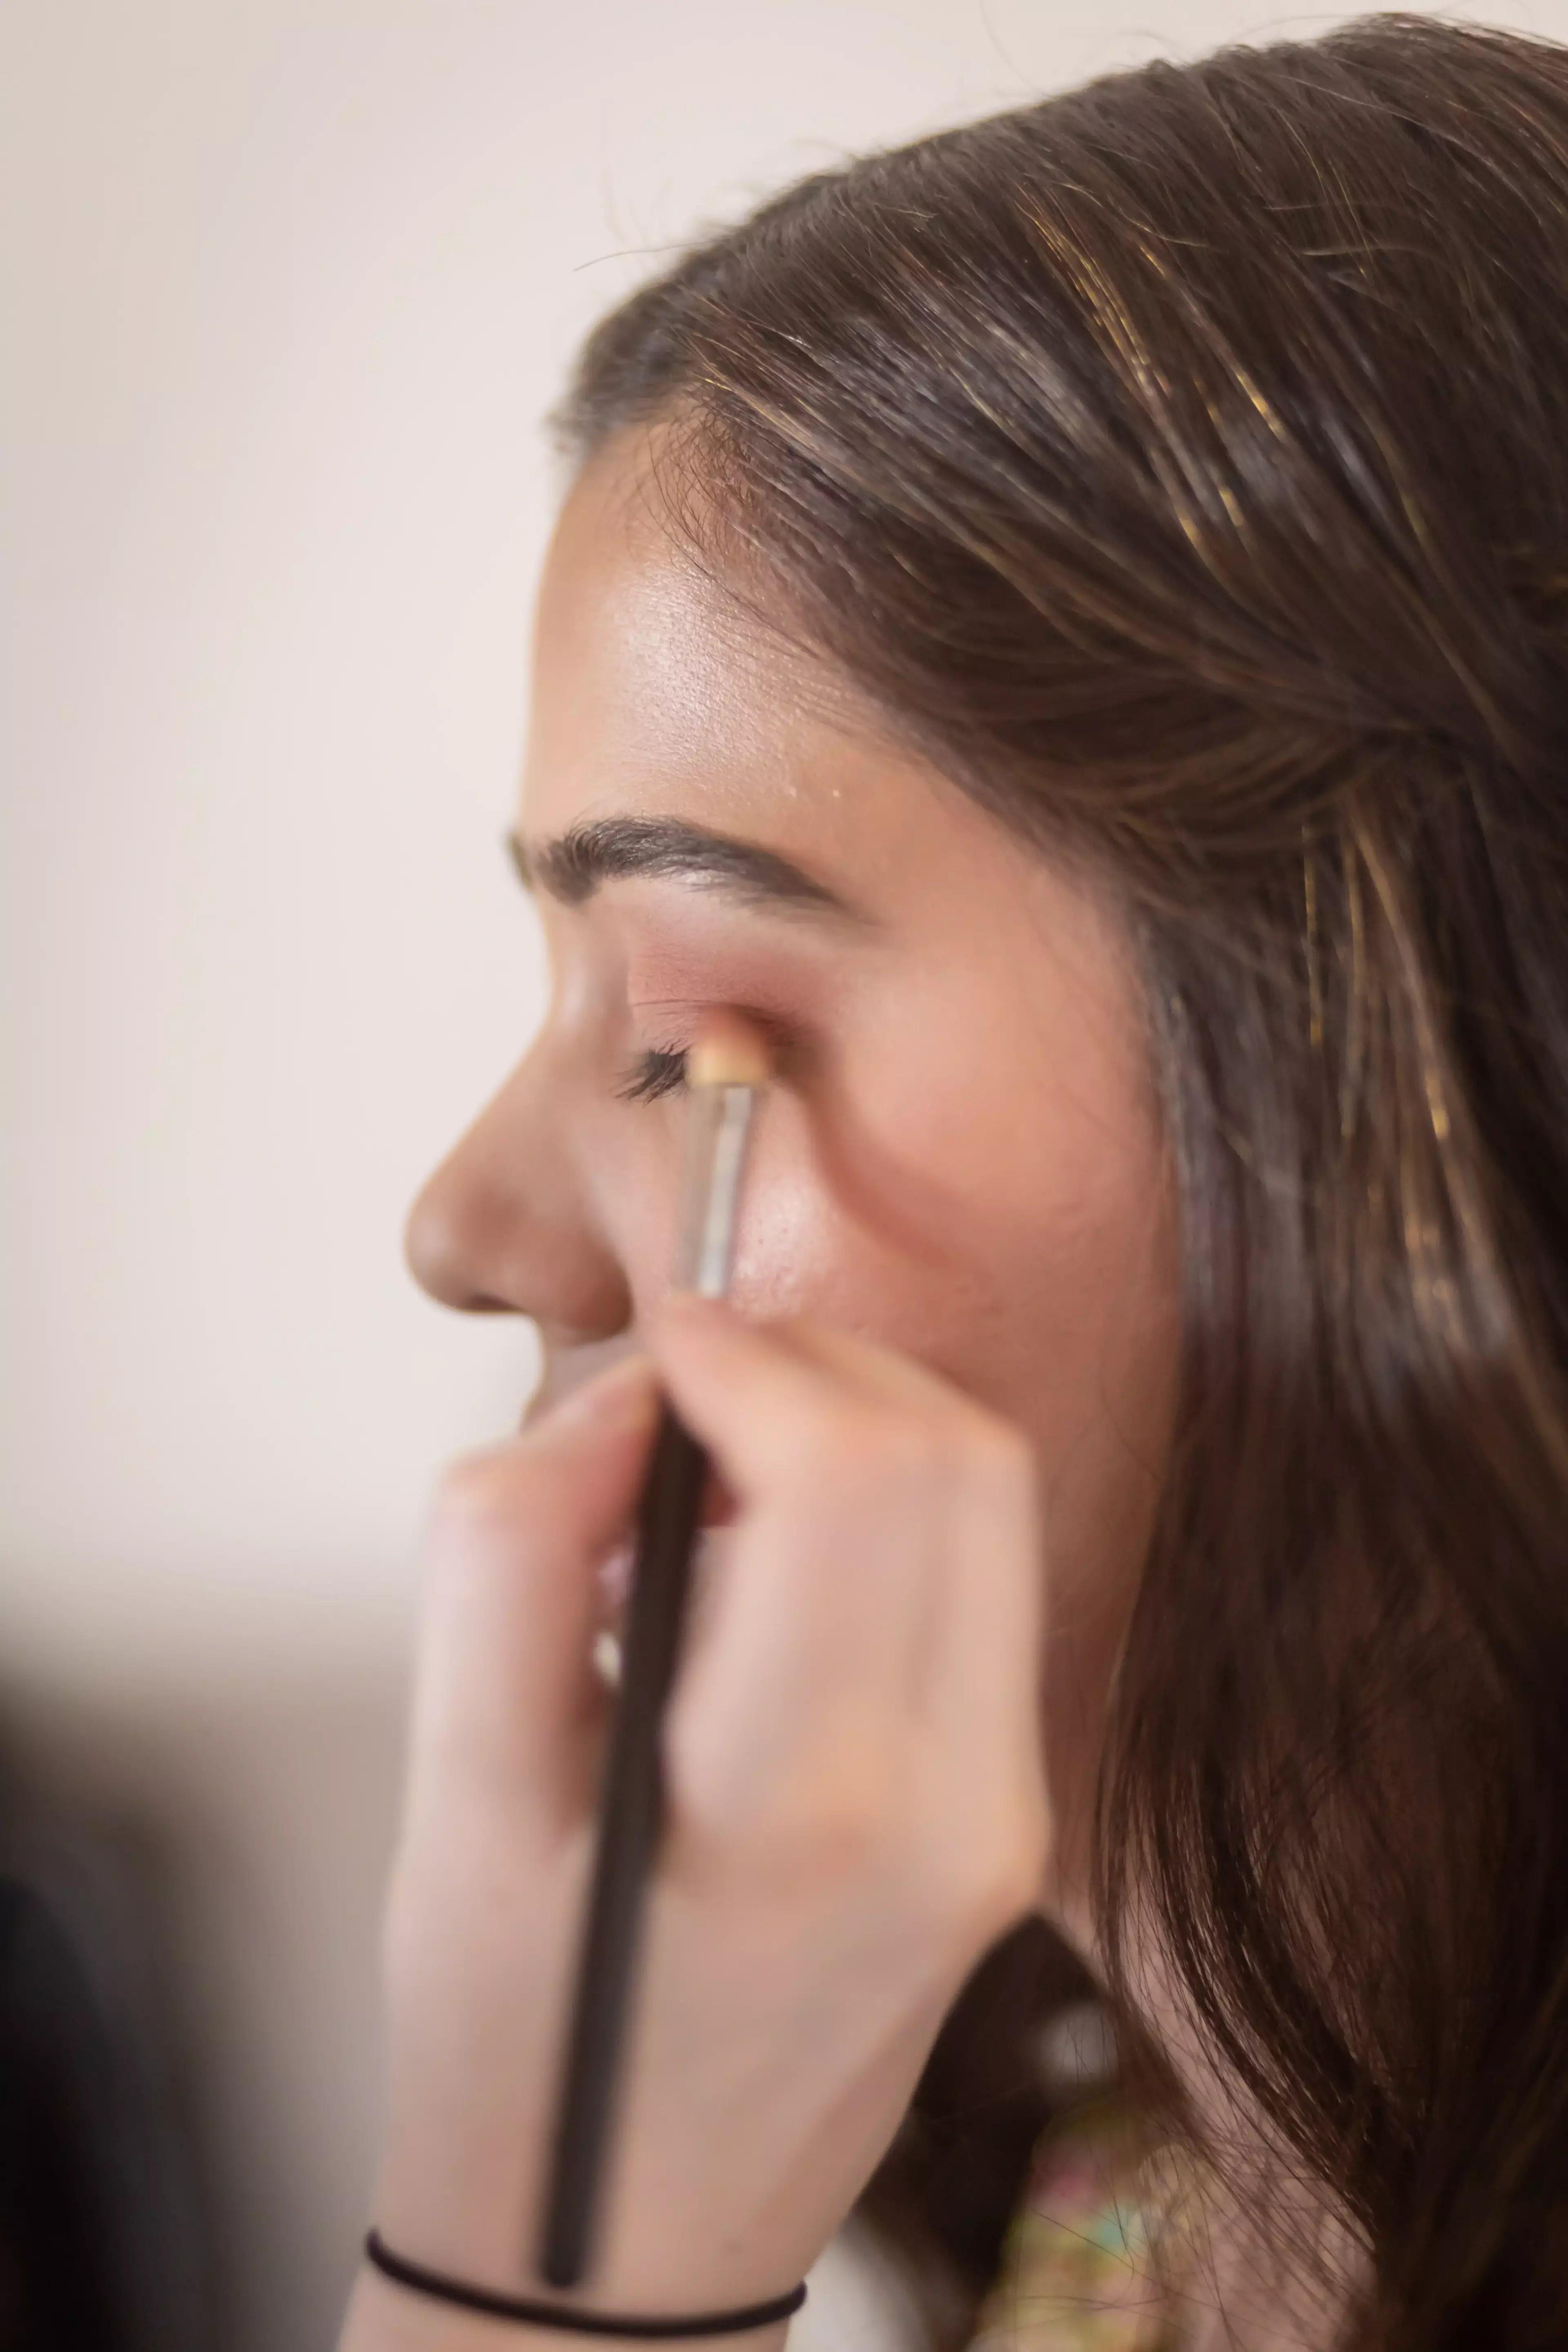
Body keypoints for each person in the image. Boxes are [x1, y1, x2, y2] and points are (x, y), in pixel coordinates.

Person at [337, 16, 1568, 2347]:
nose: (463, 1231)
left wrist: (540, 2272)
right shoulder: (1131, 2180)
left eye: (687, 1038)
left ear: (1380, 1040)